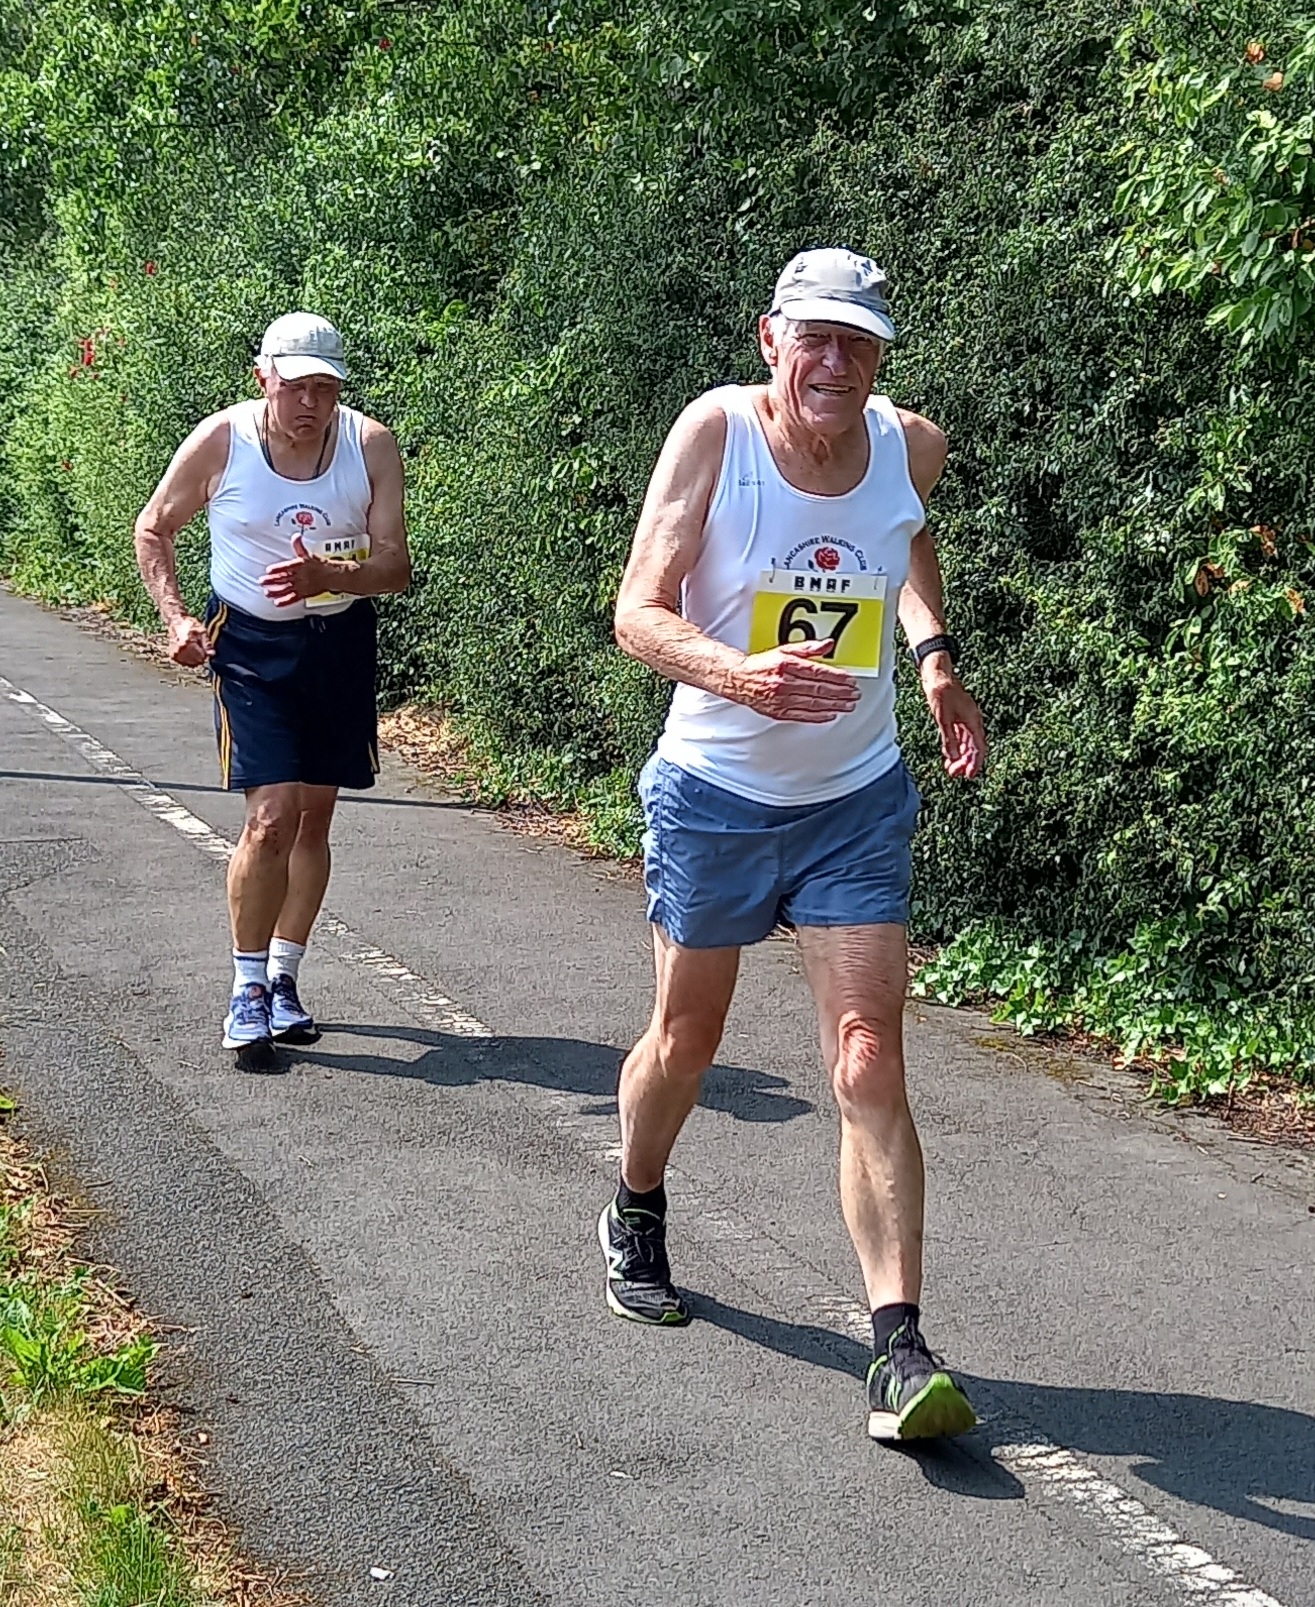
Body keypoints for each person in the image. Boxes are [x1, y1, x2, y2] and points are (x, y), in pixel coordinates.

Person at [603, 248, 986, 1442]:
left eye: (857, 341)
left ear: (878, 356)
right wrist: (740, 673)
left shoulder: (908, 443)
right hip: (715, 792)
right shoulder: (717, 435)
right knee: (686, 1037)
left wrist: (932, 656)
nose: (834, 360)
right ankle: (636, 1200)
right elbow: (635, 612)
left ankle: (899, 1344)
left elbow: (903, 537)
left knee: (867, 1055)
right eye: (813, 336)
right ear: (770, 338)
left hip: (852, 799)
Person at [134, 312, 410, 1063]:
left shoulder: (369, 445)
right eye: (295, 388)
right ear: (264, 379)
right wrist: (176, 617)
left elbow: (395, 566)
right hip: (252, 645)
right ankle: (246, 987)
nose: (309, 404)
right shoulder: (222, 440)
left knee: (314, 820)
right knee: (270, 817)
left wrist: (330, 576)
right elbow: (154, 526)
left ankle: (284, 977)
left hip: (338, 644)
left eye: (325, 388)